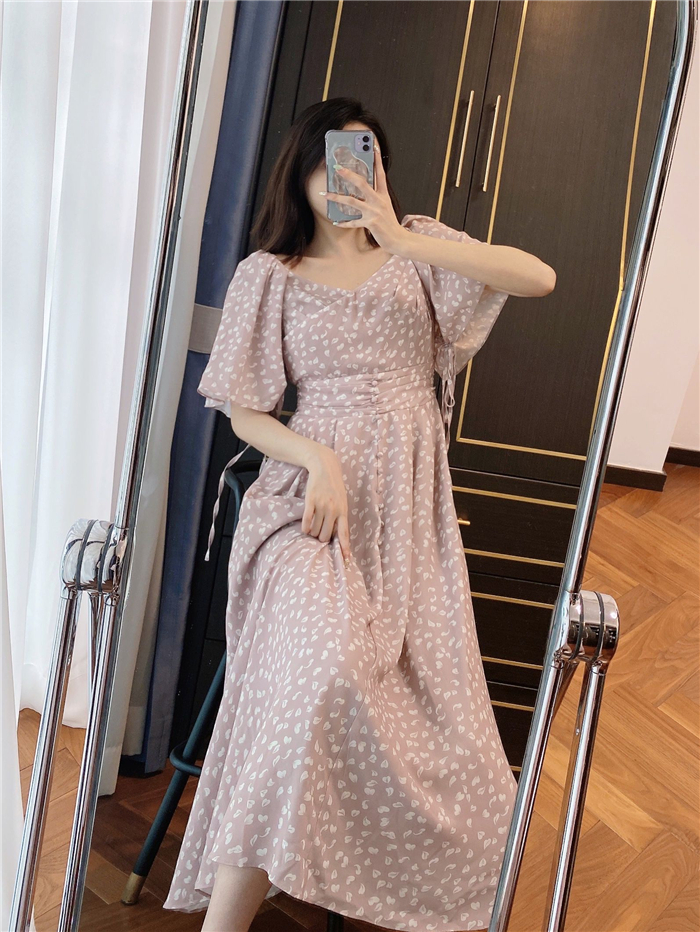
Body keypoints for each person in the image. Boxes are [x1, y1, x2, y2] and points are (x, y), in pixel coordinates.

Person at [163, 97, 556, 932]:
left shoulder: (421, 249)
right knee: (323, 671)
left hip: (409, 525)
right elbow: (245, 412)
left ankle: (322, 861)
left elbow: (538, 277)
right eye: (333, 157)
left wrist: (401, 238)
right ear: (301, 171)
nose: (347, 172)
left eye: (365, 152)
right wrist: (320, 460)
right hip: (308, 515)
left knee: (451, 739)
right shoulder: (269, 274)